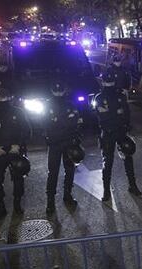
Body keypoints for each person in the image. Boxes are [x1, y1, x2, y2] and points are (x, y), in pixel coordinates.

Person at [94, 72, 142, 201]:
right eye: (107, 82)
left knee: (128, 157)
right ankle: (106, 191)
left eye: (110, 82)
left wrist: (125, 124)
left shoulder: (119, 96)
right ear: (103, 82)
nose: (109, 84)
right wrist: (117, 115)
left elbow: (126, 113)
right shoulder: (99, 98)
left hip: (119, 131)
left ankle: (132, 185)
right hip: (109, 133)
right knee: (108, 162)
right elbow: (101, 116)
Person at [0, 88, 30, 219]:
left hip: (14, 150)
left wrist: (19, 145)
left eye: (4, 98)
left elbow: (27, 131)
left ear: (9, 98)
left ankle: (17, 204)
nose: (1, 101)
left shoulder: (18, 112)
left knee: (18, 177)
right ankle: (0, 207)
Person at [44, 82, 82, 215]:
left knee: (69, 170)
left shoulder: (70, 104)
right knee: (53, 172)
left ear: (64, 91)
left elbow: (76, 121)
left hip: (67, 143)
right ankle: (50, 202)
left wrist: (58, 122)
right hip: (55, 144)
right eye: (56, 91)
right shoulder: (47, 105)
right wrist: (66, 121)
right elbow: (44, 124)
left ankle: (67, 195)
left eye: (60, 91)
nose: (58, 93)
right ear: (52, 91)